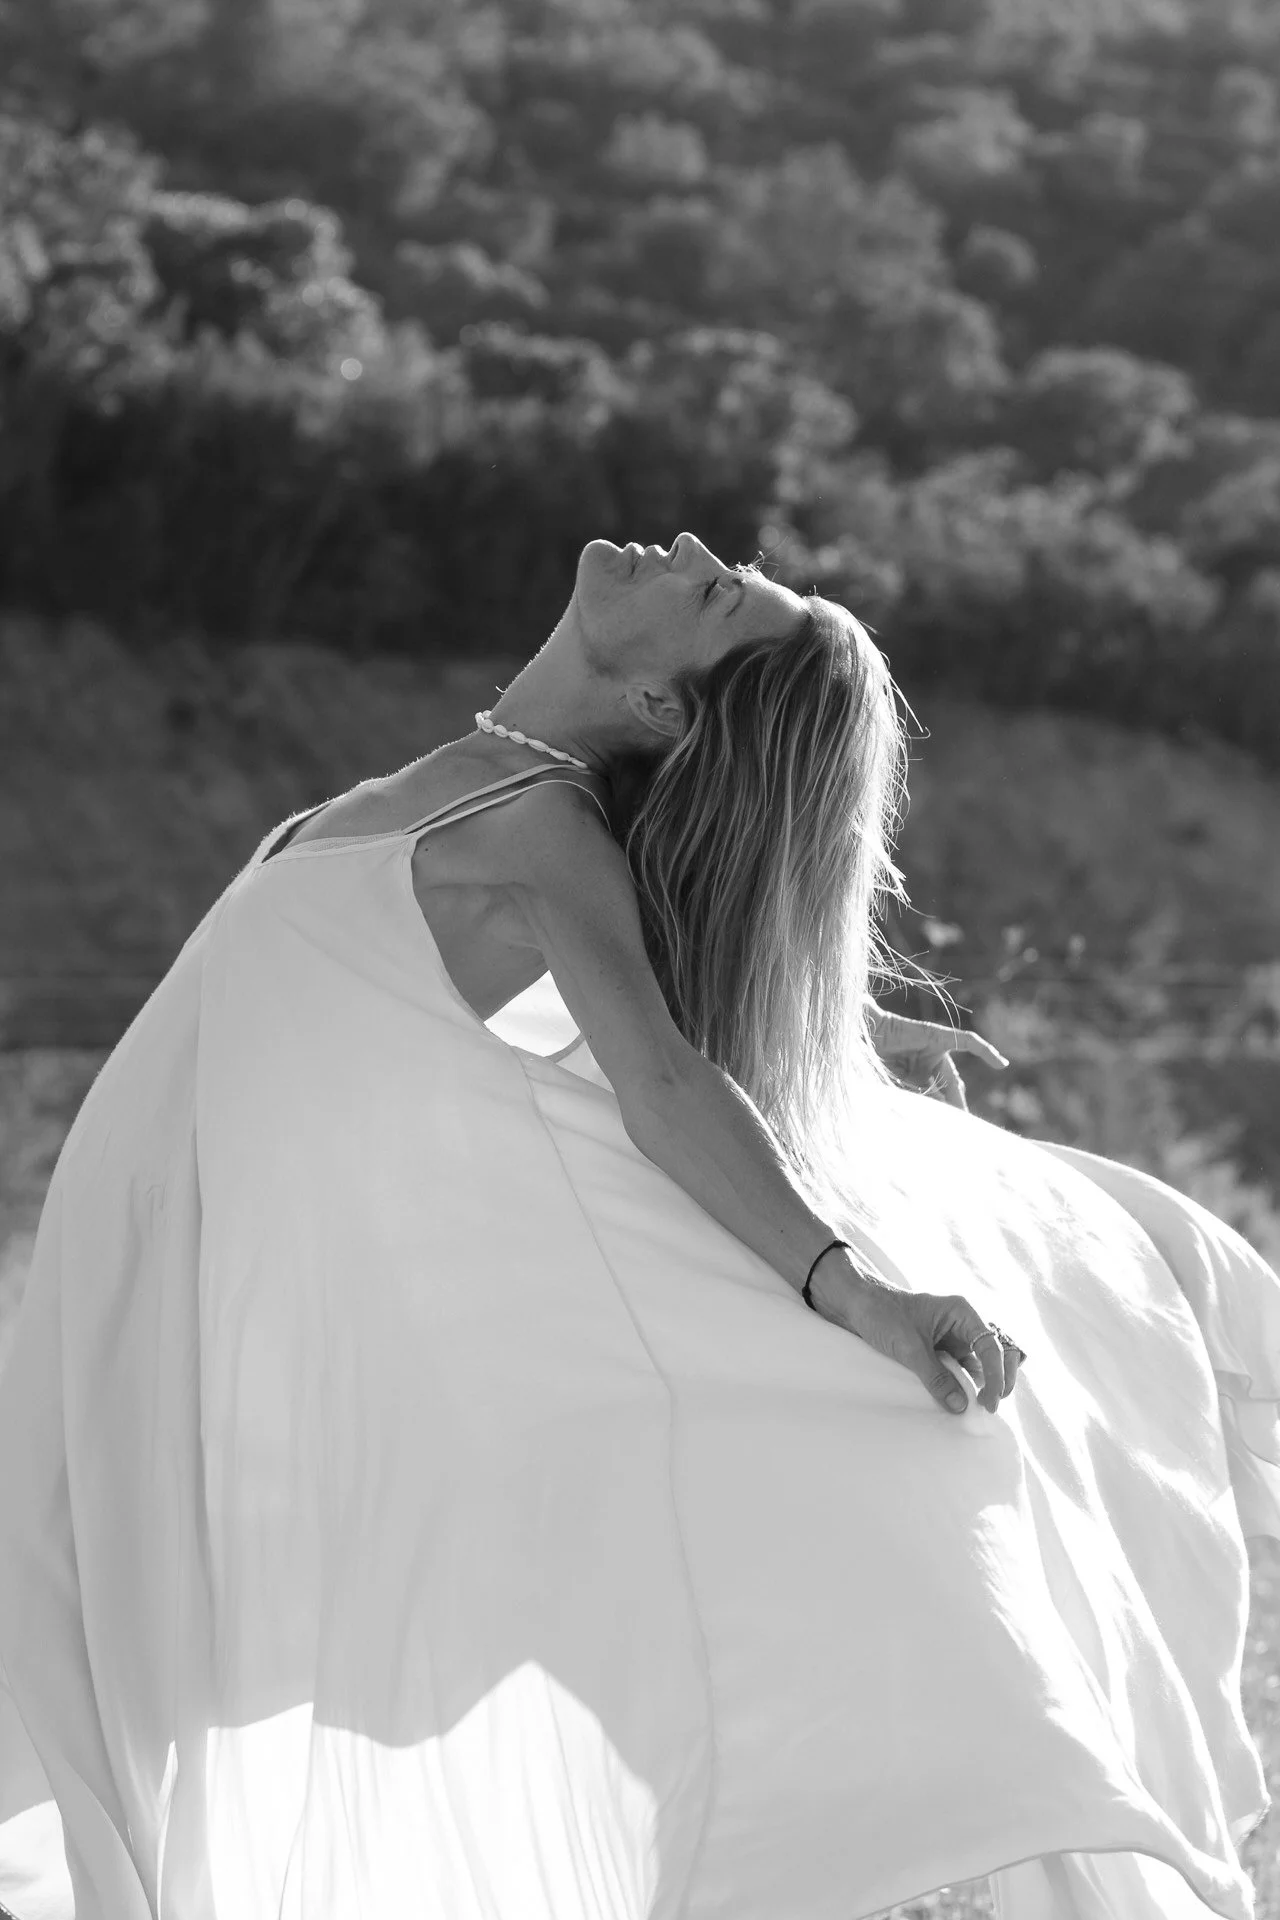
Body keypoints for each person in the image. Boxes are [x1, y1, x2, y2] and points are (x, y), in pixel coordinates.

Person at [0, 531, 1275, 1920]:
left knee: (122, 1631)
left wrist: (852, 1292)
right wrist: (835, 1038)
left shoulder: (537, 830)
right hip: (186, 1277)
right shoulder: (471, 791)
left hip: (220, 1295)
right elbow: (551, 1022)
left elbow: (665, 1079)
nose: (685, 549)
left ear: (664, 707)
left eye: (713, 593)